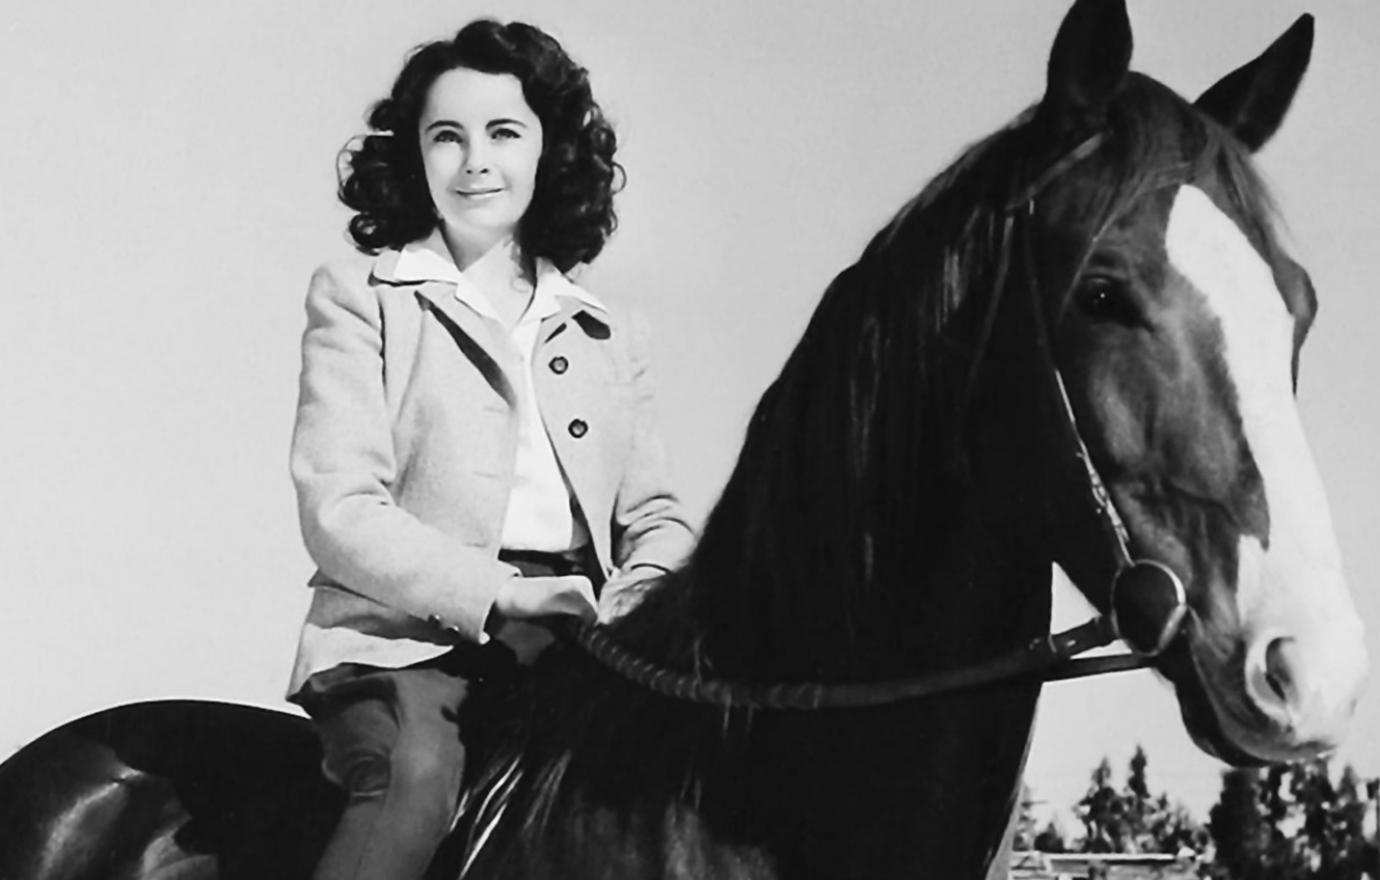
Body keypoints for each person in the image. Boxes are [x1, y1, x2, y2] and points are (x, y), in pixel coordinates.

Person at [285, 19, 695, 880]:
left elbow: (655, 516)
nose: (476, 160)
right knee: (415, 778)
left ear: (549, 153)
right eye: (448, 136)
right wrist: (504, 594)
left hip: (582, 652)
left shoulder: (611, 333)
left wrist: (639, 595)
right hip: (400, 651)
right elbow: (340, 508)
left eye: (504, 133)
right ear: (417, 156)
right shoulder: (363, 298)